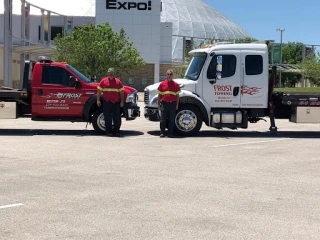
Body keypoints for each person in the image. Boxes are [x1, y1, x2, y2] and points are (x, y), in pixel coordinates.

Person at [97, 68, 124, 137]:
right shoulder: (103, 81)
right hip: (107, 102)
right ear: (107, 73)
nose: (111, 74)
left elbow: (121, 93)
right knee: (107, 118)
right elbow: (99, 92)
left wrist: (122, 101)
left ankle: (117, 132)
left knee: (117, 118)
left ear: (114, 73)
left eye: (112, 73)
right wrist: (98, 100)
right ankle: (108, 132)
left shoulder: (118, 82)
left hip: (115, 103)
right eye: (109, 73)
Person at [157, 69, 181, 138]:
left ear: (172, 75)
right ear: (166, 75)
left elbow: (177, 96)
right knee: (163, 119)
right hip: (164, 104)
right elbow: (159, 95)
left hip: (172, 104)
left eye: (170, 74)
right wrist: (158, 104)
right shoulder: (162, 84)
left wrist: (177, 104)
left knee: (171, 119)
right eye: (168, 74)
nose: (169, 76)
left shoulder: (176, 85)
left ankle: (170, 133)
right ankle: (162, 133)